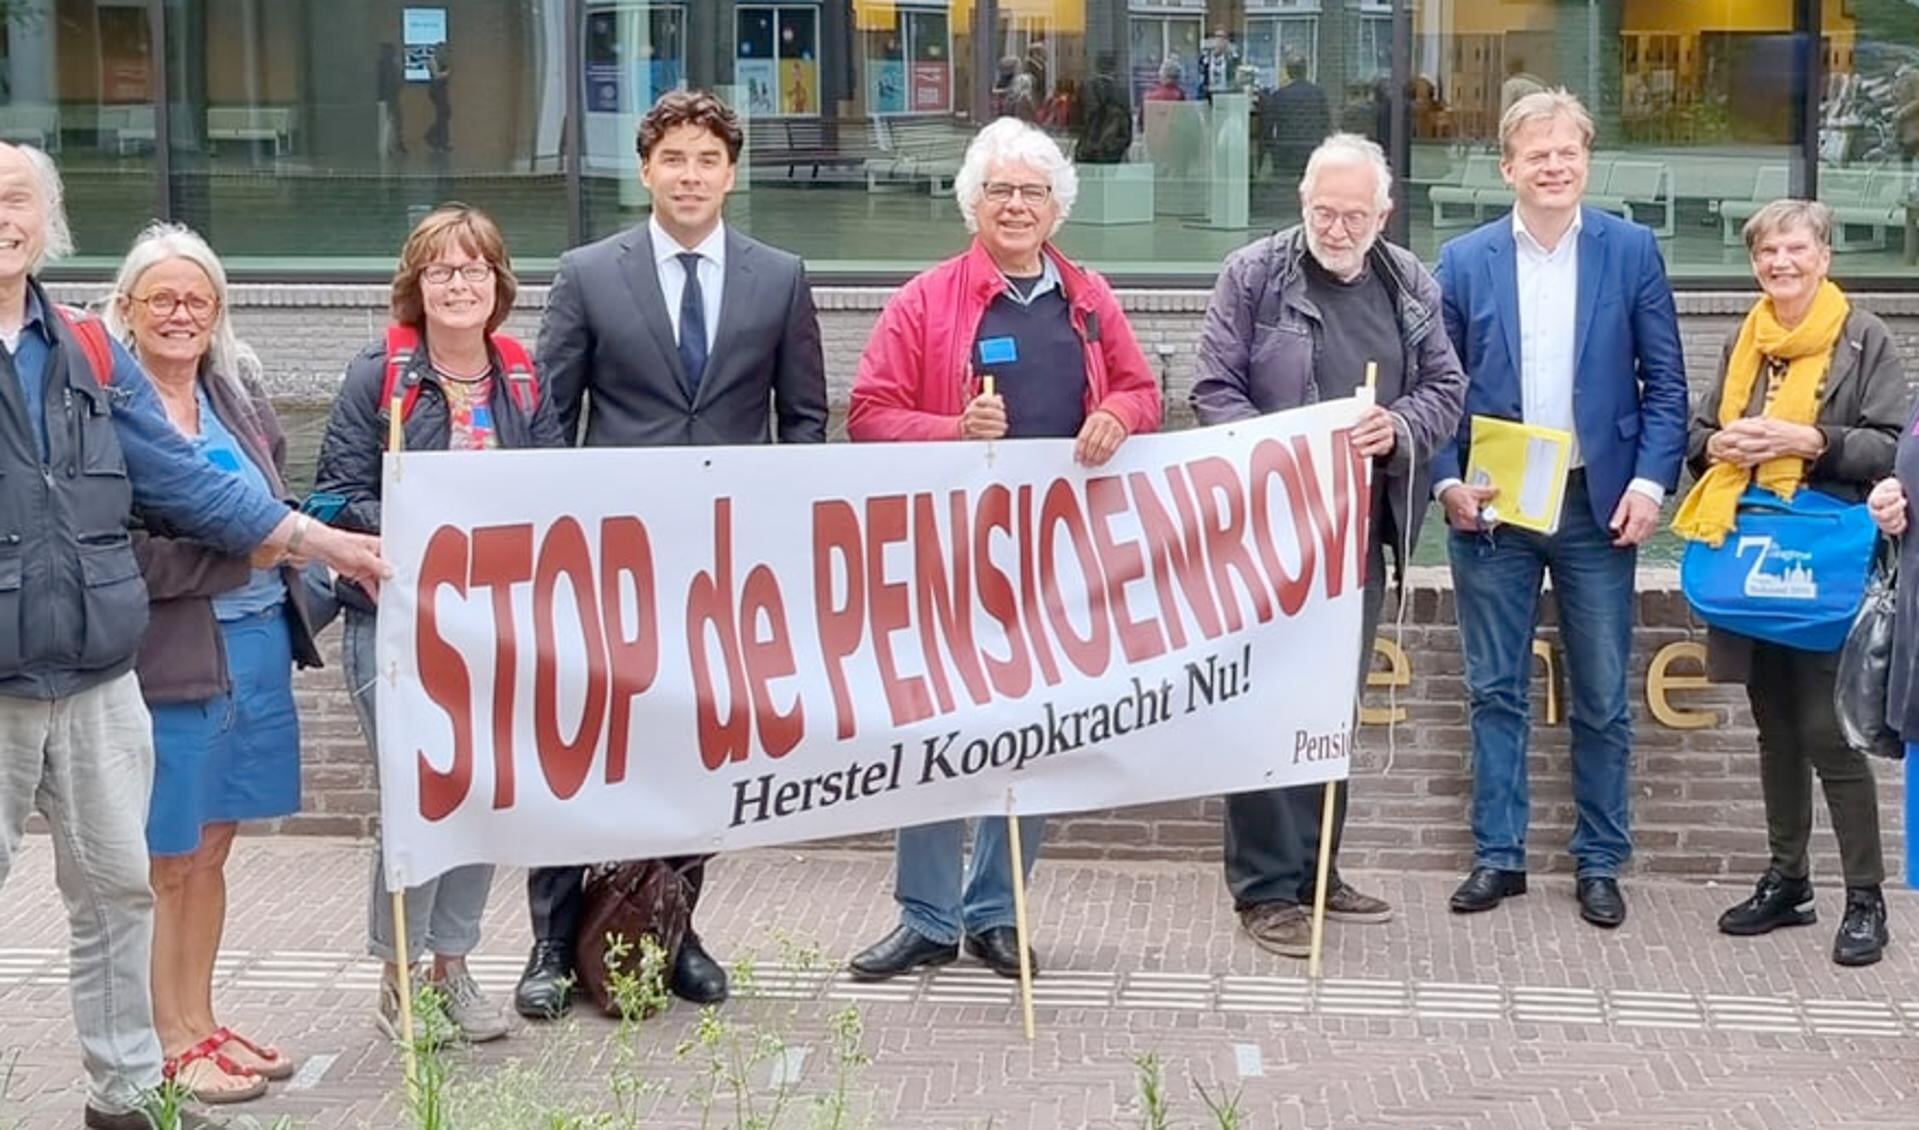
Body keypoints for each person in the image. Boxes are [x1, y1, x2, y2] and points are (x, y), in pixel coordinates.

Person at [0, 142, 383, 1130]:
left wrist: (316, 541)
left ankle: (128, 1089)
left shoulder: (79, 351)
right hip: (60, 667)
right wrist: (269, 549)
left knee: (120, 890)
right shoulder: (98, 348)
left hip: (90, 670)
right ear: (132, 301)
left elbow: (194, 486)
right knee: (146, 870)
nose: (4, 216)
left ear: (48, 220)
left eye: (16, 198)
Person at [518, 90, 827, 1019]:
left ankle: (671, 928)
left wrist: (784, 539)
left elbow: (803, 422)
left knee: (696, 754)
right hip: (607, 561)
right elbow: (547, 421)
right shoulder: (587, 273)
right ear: (644, 169)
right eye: (673, 159)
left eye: (706, 159)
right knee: (581, 746)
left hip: (724, 568)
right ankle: (548, 940)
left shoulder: (779, 277)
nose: (690, 176)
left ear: (731, 173)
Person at [843, 117, 1162, 982]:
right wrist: (950, 428)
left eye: (1032, 192)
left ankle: (995, 912)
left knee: (1034, 735)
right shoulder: (926, 300)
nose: (1016, 206)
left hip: (1060, 557)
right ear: (971, 204)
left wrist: (1117, 415)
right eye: (999, 191)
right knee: (939, 729)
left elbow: (1142, 390)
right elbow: (867, 414)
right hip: (950, 555)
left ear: (1057, 207)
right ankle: (924, 915)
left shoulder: (1089, 299)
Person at [1192, 134, 1466, 957]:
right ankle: (1265, 888)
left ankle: (1318, 868)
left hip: (1354, 534)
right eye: (1323, 210)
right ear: (1301, 202)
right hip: (1268, 533)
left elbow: (1444, 388)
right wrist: (1281, 457)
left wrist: (1397, 426)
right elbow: (1212, 388)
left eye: (1353, 215)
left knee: (1327, 706)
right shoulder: (1253, 274)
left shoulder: (1407, 281)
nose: (1336, 227)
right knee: (1264, 700)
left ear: (1382, 215)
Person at [1432, 90, 1688, 929]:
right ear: (1506, 167)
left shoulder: (1629, 250)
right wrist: (1445, 482)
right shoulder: (1464, 262)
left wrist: (1650, 484)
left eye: (1566, 153)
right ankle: (1497, 857)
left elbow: (1666, 386)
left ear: (1585, 160)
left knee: (1603, 692)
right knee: (1493, 689)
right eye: (1535, 155)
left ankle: (1599, 861)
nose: (1553, 167)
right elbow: (1435, 391)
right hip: (1495, 507)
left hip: (1595, 502)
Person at [315, 203, 561, 1042]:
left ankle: (454, 965)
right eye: (441, 271)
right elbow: (333, 495)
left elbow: (560, 492)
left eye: (475, 269)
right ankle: (400, 977)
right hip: (397, 626)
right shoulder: (378, 375)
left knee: (483, 792)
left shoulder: (524, 377)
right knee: (420, 796)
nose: (459, 285)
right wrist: (397, 541)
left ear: (499, 284)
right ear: (415, 286)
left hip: (495, 628)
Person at [104, 223, 328, 1105]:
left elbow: (274, 506)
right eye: (161, 297)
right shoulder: (112, 412)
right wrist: (244, 557)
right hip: (174, 657)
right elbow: (129, 552)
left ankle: (202, 1021)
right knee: (168, 853)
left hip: (259, 644)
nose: (180, 314)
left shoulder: (236, 396)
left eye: (197, 299)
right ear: (126, 308)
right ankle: (166, 1040)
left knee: (217, 846)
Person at [1677, 200, 1905, 967]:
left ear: (1823, 256)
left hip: (1824, 560)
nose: (1780, 263)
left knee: (1824, 731)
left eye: (1794, 248)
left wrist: (1804, 440)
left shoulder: (1862, 336)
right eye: (1767, 252)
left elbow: (1890, 447)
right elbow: (1697, 435)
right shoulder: (1747, 337)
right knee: (1772, 726)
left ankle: (1865, 897)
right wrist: (1724, 444)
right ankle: (1788, 881)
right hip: (1751, 556)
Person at [1261, 56, 1330, 181]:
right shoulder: (1318, 93)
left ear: (1288, 72)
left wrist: (1270, 146)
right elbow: (1326, 122)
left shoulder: (1279, 95)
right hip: (1311, 149)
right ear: (1306, 70)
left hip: (1286, 152)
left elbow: (1269, 124)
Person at [1198, 28, 1241, 102]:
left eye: (1222, 38)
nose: (1219, 40)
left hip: (1226, 94)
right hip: (1209, 95)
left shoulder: (1231, 58)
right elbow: (1201, 73)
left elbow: (1236, 74)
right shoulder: (1206, 57)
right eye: (1217, 37)